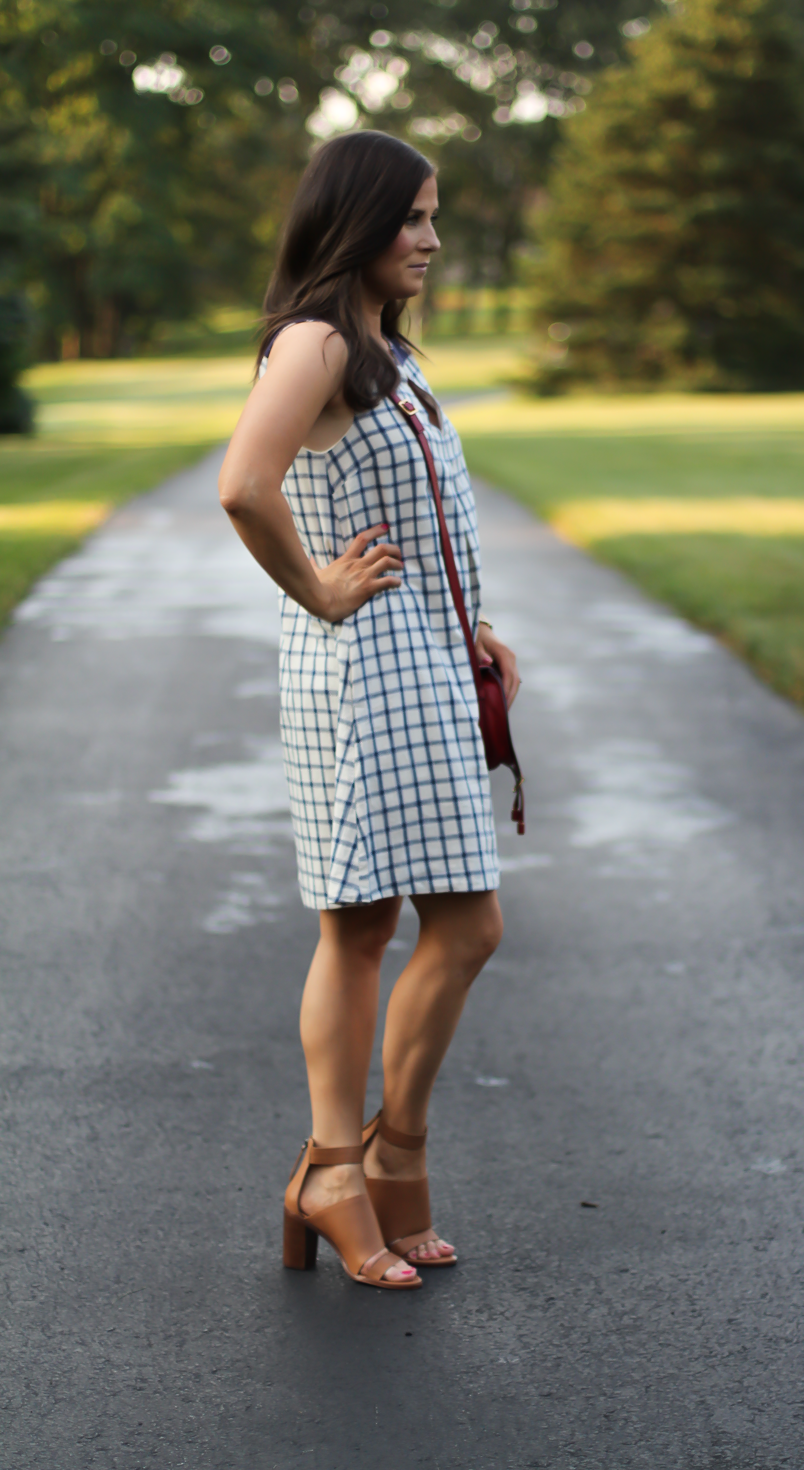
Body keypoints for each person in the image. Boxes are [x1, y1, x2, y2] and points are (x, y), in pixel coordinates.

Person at [218, 130, 520, 1291]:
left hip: (421, 657)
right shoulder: (313, 343)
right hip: (361, 668)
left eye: (435, 218)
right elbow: (244, 485)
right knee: (380, 924)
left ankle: (373, 1161)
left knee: (426, 925)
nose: (432, 241)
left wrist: (470, 617)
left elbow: (413, 504)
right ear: (355, 221)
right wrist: (319, 586)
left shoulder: (382, 346)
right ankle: (345, 1168)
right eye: (413, 219)